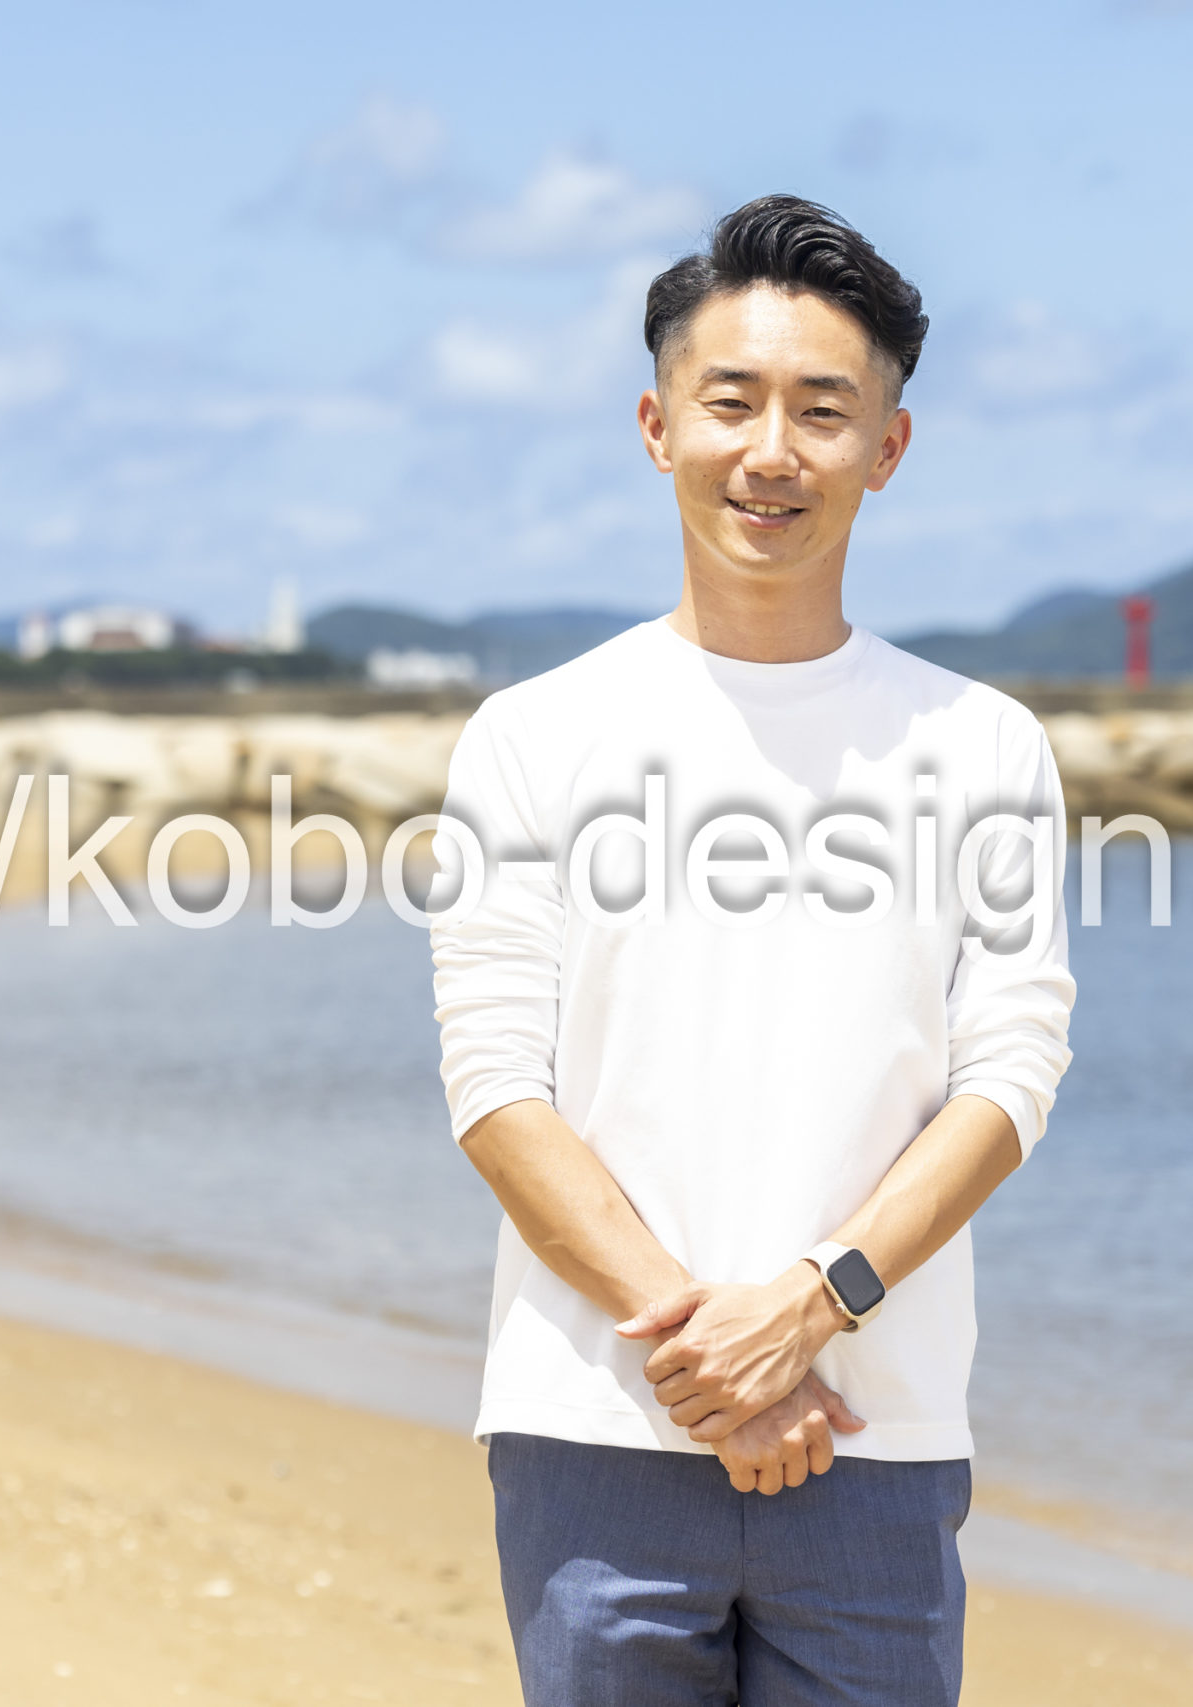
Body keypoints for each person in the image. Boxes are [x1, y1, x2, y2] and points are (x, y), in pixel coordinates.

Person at [428, 193, 1075, 1707]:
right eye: (732, 402)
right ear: (658, 427)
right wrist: (709, 1361)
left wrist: (812, 1307)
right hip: (596, 1431)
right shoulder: (534, 735)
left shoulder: (982, 744)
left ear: (887, 448)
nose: (772, 450)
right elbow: (496, 1086)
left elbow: (1012, 1076)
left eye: (822, 411)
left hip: (874, 1430)